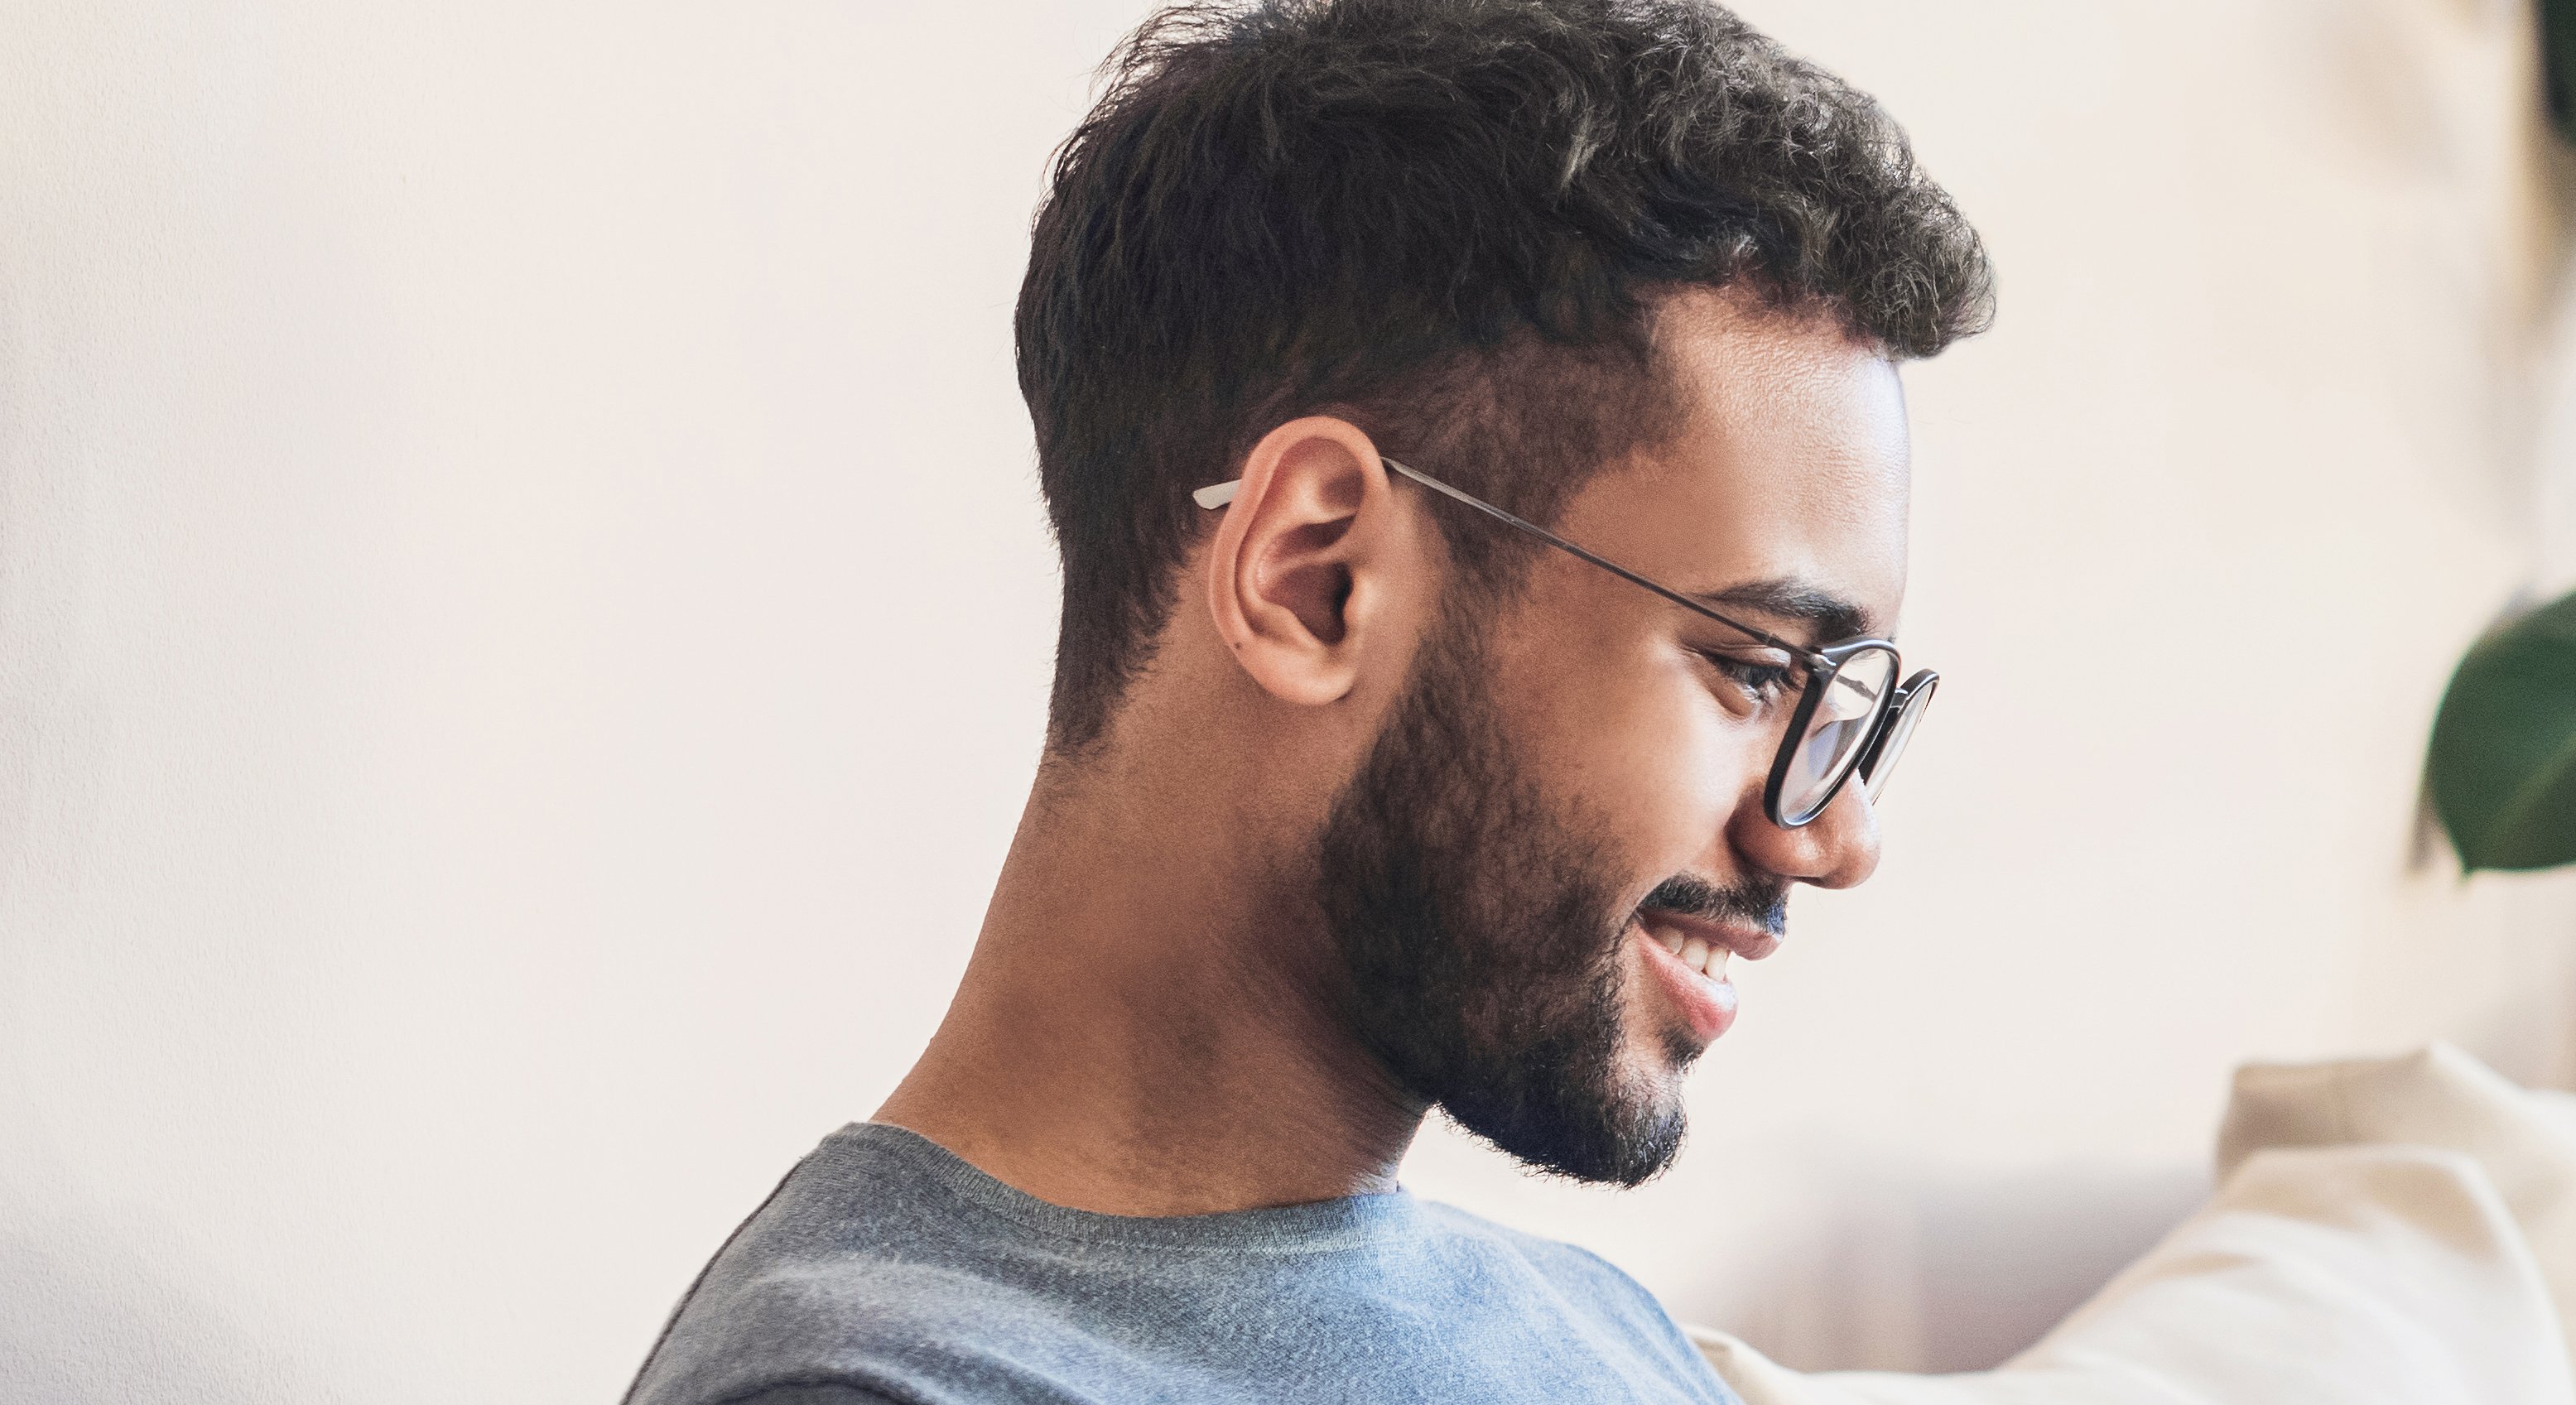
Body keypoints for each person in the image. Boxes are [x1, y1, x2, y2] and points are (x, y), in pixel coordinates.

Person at [625, 0, 1990, 1400]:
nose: (1833, 838)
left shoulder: (1601, 1329)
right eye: (1757, 670)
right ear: (1314, 578)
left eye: (1844, 704)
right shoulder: (886, 1381)